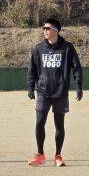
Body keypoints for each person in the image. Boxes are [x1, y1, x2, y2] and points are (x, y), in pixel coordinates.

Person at [27, 17, 83, 167]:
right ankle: (40, 154)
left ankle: (58, 155)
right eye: (44, 29)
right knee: (39, 123)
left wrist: (78, 86)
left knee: (59, 125)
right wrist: (30, 87)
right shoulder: (38, 48)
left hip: (60, 93)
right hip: (43, 92)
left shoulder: (67, 48)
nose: (45, 31)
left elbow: (76, 67)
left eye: (48, 28)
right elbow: (31, 69)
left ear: (56, 31)